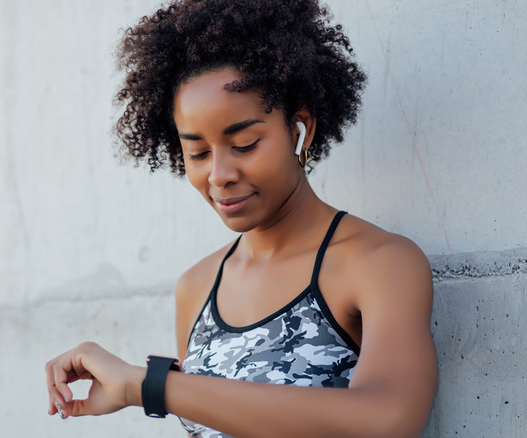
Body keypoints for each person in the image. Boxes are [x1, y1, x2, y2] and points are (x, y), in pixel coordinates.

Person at [45, 0, 437, 436]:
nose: (219, 174)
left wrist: (147, 386)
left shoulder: (378, 262)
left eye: (246, 143)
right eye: (197, 152)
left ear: (299, 128)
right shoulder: (196, 288)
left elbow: (388, 420)